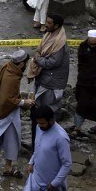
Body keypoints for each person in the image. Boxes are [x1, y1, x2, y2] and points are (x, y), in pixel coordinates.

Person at [0, 50, 33, 176]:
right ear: (21, 64)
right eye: (26, 63)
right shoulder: (13, 78)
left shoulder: (6, 67)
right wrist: (24, 102)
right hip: (8, 113)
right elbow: (8, 99)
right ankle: (8, 167)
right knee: (13, 138)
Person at [27, 14, 70, 149]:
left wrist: (38, 60)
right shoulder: (49, 36)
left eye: (49, 23)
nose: (46, 24)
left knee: (47, 114)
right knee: (36, 113)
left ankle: (46, 144)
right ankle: (37, 143)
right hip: (43, 80)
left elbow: (53, 62)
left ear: (57, 26)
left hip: (51, 85)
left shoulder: (59, 42)